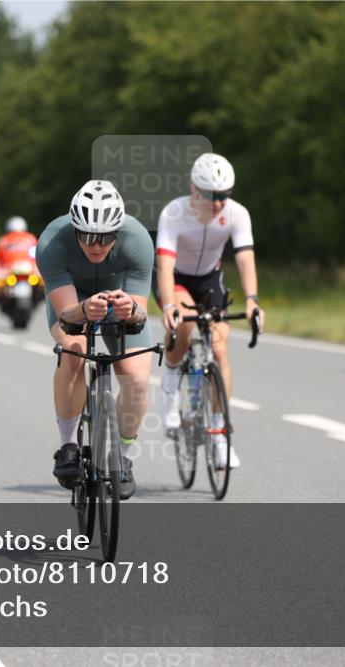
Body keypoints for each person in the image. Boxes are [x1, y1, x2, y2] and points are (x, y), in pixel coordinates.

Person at [36, 181, 154, 499]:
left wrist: (132, 310)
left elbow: (141, 314)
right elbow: (66, 317)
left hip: (120, 299)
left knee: (137, 380)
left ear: (118, 232)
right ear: (75, 230)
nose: (96, 244)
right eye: (87, 236)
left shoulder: (138, 240)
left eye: (104, 237)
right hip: (74, 302)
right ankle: (68, 446)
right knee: (73, 351)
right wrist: (86, 309)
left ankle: (123, 457)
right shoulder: (52, 243)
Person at [155, 152, 263, 470]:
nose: (217, 204)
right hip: (174, 277)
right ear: (193, 189)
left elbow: (244, 258)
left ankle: (218, 435)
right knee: (185, 324)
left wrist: (252, 300)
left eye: (224, 196)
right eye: (210, 197)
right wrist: (171, 306)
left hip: (209, 279)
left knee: (219, 345)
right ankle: (171, 383)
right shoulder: (173, 213)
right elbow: (164, 263)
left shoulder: (237, 214)